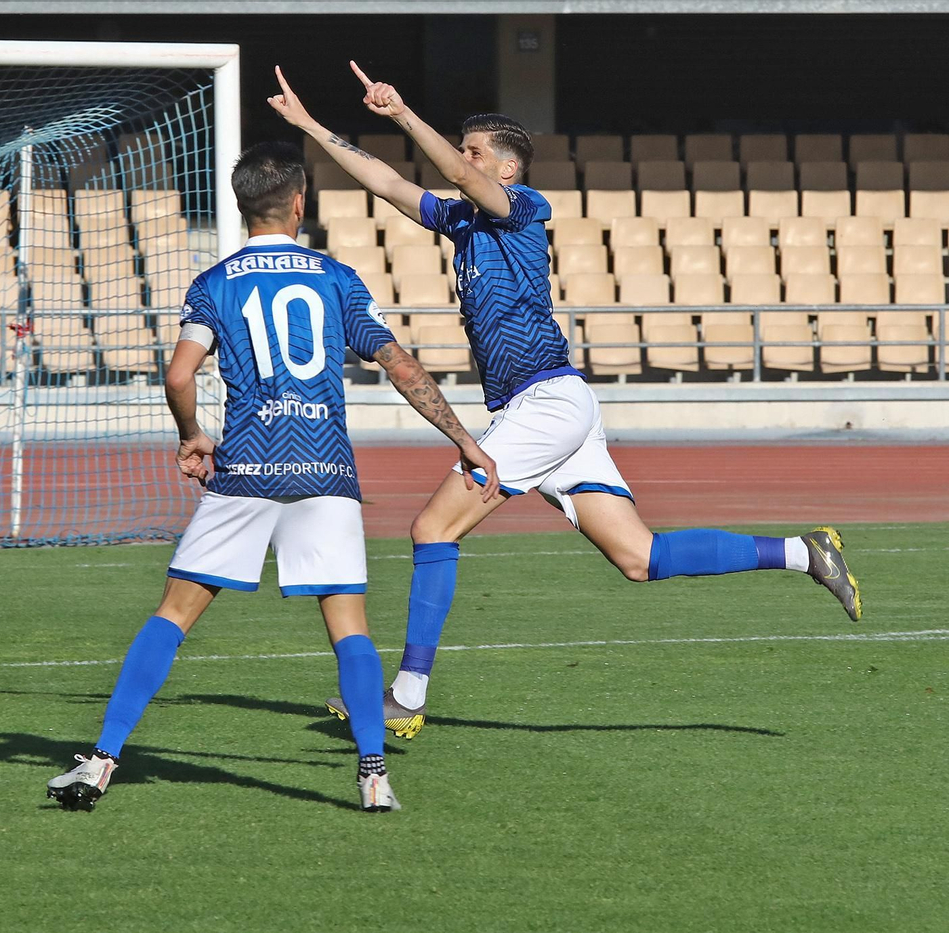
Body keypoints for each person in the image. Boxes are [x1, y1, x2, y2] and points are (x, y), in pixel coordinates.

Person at [268, 64, 860, 740]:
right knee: (643, 559)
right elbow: (390, 183)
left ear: (507, 170)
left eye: (475, 150)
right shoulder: (463, 222)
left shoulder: (523, 208)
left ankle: (406, 695)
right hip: (553, 406)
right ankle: (803, 552)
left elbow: (459, 178)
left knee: (433, 530)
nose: (462, 161)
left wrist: (402, 114)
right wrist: (310, 125)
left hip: (544, 403)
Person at [45, 141, 498, 814]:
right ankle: (373, 774)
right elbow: (400, 365)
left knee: (173, 614)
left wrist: (191, 435)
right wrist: (465, 439)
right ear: (299, 200)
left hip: (247, 469)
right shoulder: (337, 278)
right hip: (324, 469)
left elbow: (178, 374)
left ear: (239, 204)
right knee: (349, 628)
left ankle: (105, 757)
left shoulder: (216, 282)